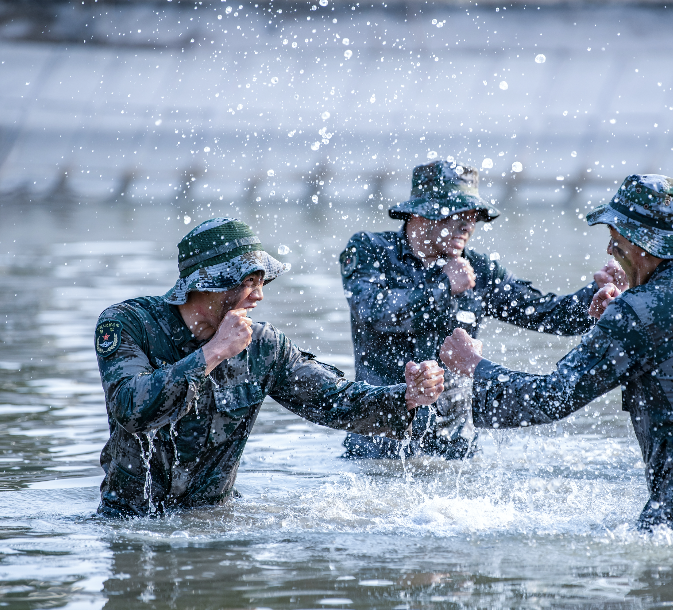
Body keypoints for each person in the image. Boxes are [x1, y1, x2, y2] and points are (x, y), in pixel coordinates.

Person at [440, 174, 673, 536]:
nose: (611, 253)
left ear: (638, 243)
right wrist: (618, 320)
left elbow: (550, 398)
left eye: (614, 243)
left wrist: (475, 366)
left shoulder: (639, 308)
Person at [94, 218, 444, 517]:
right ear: (206, 285)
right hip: (128, 522)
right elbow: (131, 407)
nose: (258, 296)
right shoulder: (127, 324)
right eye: (247, 282)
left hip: (211, 524)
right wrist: (213, 353)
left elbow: (334, 401)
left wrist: (407, 397)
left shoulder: (263, 346)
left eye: (261, 283)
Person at [339, 158, 601, 459]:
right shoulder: (370, 250)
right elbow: (373, 311)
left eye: (473, 214)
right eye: (457, 212)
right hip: (379, 443)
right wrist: (442, 286)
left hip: (454, 453)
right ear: (421, 213)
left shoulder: (481, 271)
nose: (468, 224)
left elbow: (546, 314)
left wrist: (597, 299)